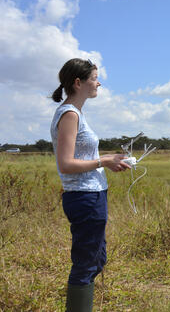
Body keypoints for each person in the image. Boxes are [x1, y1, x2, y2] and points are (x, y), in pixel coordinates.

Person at [50, 58, 130, 312]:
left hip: (93, 195)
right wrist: (104, 160)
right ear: (78, 82)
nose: (98, 82)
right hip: (83, 198)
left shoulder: (76, 114)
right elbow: (65, 164)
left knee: (96, 260)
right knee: (86, 264)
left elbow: (82, 158)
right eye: (94, 78)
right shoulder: (70, 114)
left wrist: (109, 162)